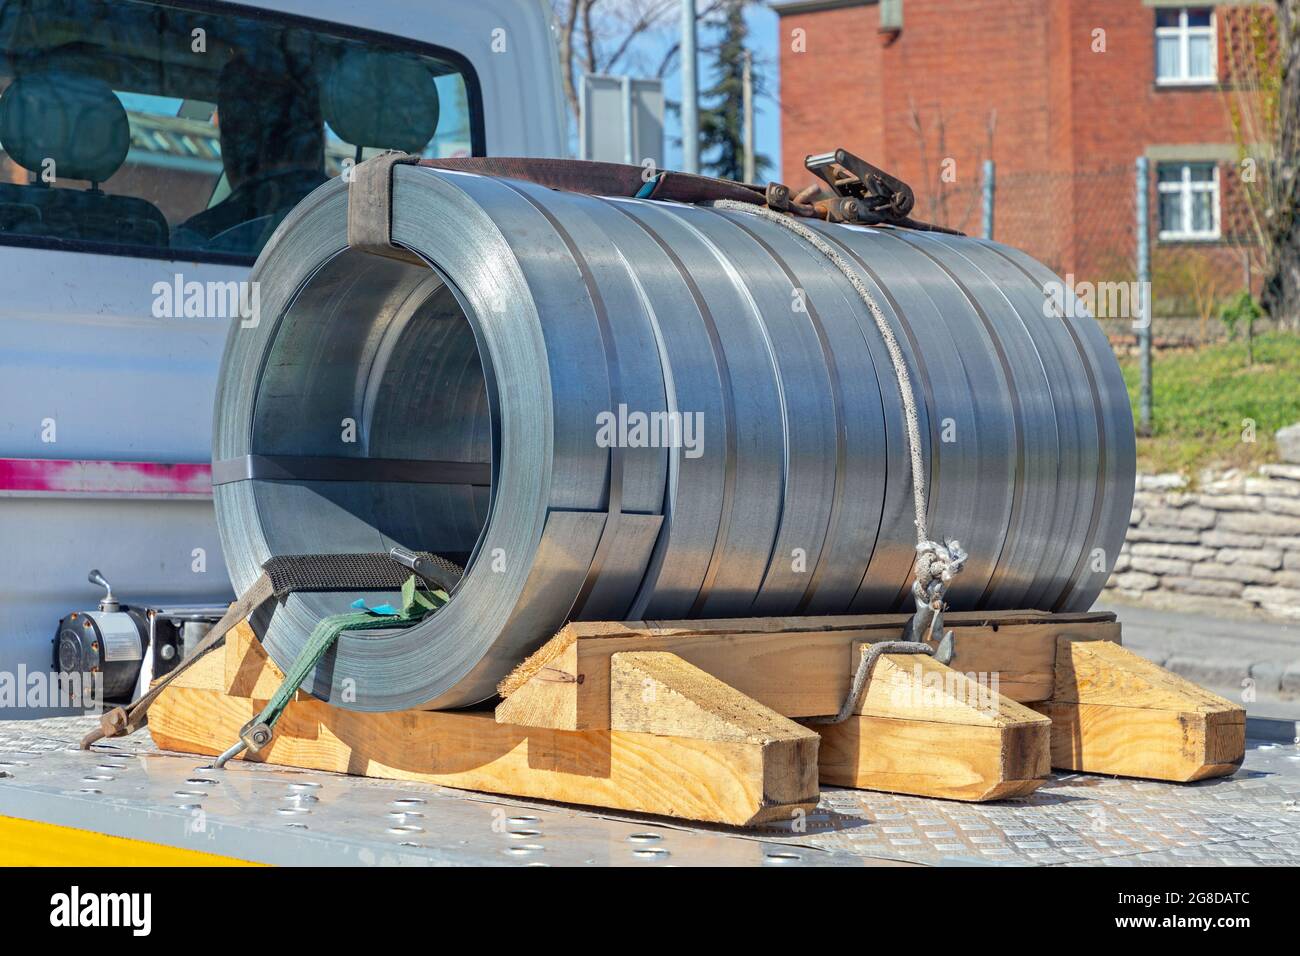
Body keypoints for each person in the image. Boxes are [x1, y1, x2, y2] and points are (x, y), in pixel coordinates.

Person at [174, 55, 326, 251]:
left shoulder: (196, 242)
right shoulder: (355, 221)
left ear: (233, 140)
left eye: (230, 127)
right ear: (319, 134)